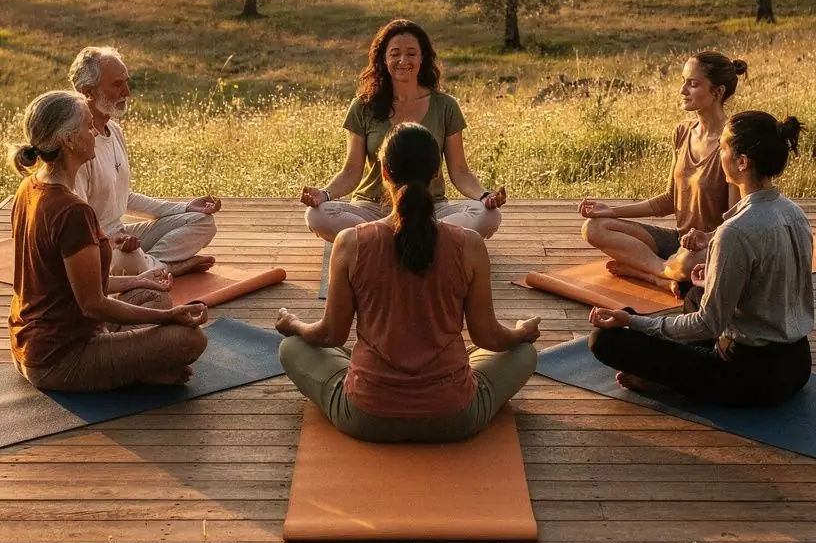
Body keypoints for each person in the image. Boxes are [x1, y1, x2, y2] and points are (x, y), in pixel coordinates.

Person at [278, 122, 539, 442]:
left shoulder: (350, 242)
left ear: (384, 173)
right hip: (454, 416)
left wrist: (294, 324)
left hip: (366, 415)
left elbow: (331, 334)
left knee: (291, 346)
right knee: (524, 353)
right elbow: (488, 336)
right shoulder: (470, 244)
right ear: (436, 174)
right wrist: (521, 332)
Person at [586, 111, 813, 408]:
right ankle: (670, 369)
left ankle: (662, 377)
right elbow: (775, 283)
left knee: (604, 340)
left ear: (742, 162)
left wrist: (634, 321)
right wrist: (714, 276)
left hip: (751, 377)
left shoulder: (736, 231)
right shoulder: (794, 213)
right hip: (797, 365)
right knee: (695, 294)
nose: (719, 156)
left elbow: (708, 324)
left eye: (723, 149)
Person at [8, 91, 209, 392]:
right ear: (69, 140)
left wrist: (138, 280)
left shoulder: (29, 186)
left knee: (153, 294)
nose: (94, 132)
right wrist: (167, 317)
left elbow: (76, 287)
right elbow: (93, 305)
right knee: (190, 339)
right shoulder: (72, 211)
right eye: (87, 126)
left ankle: (132, 362)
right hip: (60, 358)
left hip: (33, 343)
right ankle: (136, 369)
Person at [300, 19, 506, 242]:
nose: (403, 60)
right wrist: (325, 194)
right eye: (395, 53)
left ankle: (380, 242)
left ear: (422, 58)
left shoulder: (446, 106)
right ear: (384, 59)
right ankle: (418, 240)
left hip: (430, 209)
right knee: (317, 214)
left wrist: (485, 196)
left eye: (411, 53)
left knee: (488, 215)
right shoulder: (363, 106)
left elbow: (460, 171)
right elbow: (351, 171)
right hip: (372, 208)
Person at [578, 50, 748, 288]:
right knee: (595, 227)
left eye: (692, 84)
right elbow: (669, 200)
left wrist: (704, 240)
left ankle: (653, 272)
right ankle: (664, 273)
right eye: (683, 82)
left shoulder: (731, 145)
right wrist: (610, 211)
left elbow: (733, 223)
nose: (682, 91)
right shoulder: (683, 132)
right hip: (679, 241)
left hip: (707, 247)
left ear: (717, 92)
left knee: (689, 262)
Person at [69, 45, 221, 276]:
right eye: (117, 84)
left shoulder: (114, 130)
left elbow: (123, 196)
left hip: (122, 236)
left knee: (202, 221)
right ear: (88, 91)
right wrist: (110, 243)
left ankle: (153, 266)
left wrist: (184, 207)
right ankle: (165, 267)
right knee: (128, 259)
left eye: (126, 82)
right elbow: (78, 225)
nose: (127, 92)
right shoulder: (78, 145)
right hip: (95, 247)